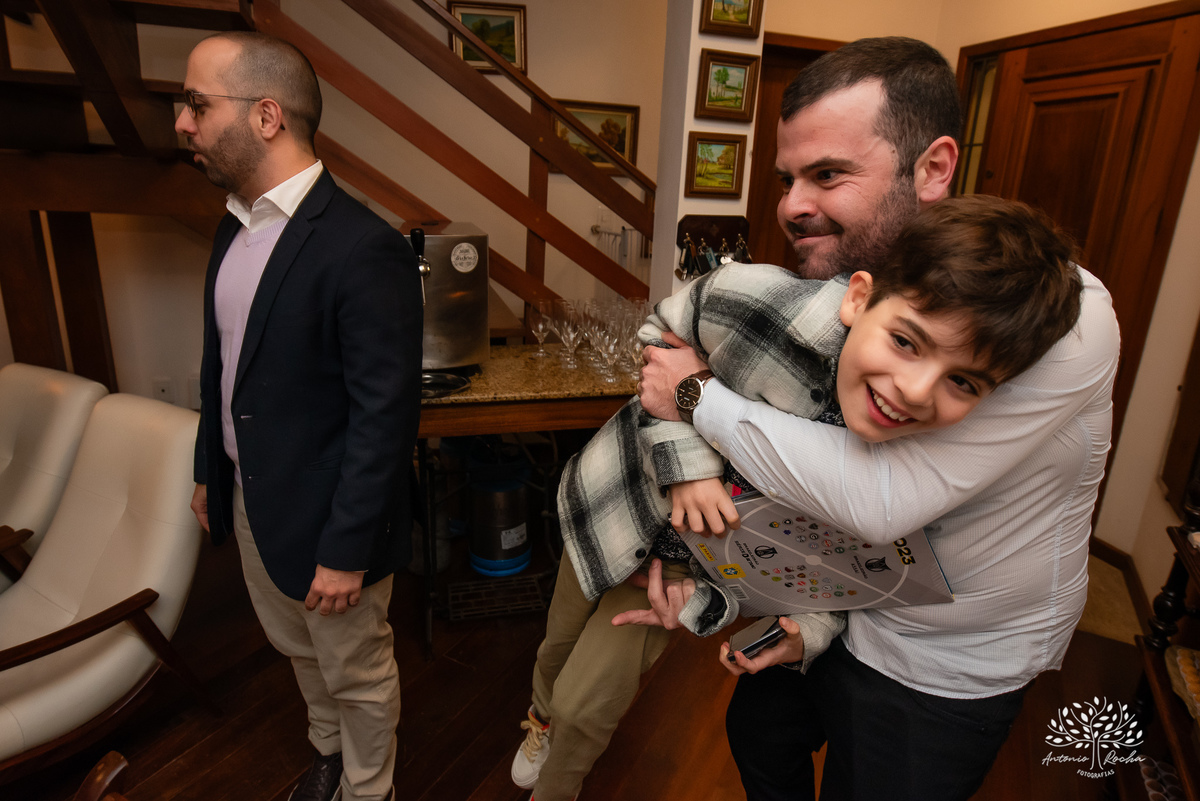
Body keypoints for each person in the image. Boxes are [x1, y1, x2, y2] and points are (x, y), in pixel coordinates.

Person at [636, 37, 1120, 801]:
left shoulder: (1061, 317)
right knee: (759, 735)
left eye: (828, 174)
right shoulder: (854, 294)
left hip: (949, 661)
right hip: (852, 603)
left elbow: (882, 497)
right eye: (789, 178)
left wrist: (697, 397)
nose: (792, 205)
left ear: (932, 169)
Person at [512, 194, 1083, 801]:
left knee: (585, 708)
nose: (914, 392)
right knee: (555, 651)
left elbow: (844, 572)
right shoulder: (754, 299)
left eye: (963, 381)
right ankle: (537, 722)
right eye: (907, 342)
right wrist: (687, 467)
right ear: (858, 297)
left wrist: (799, 630)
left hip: (678, 573)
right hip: (611, 505)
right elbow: (658, 336)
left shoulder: (908, 469)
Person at [179, 32, 422, 801]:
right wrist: (206, 471)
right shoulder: (233, 223)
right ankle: (329, 752)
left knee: (356, 668)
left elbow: (386, 416)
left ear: (267, 116)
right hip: (253, 500)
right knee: (296, 647)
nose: (181, 123)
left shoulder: (363, 247)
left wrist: (347, 549)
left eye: (196, 104)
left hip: (331, 521)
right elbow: (225, 365)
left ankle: (368, 787)